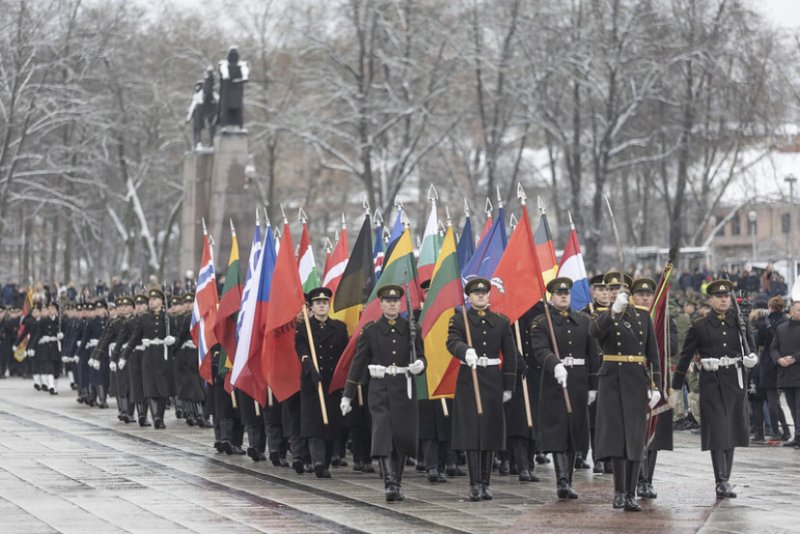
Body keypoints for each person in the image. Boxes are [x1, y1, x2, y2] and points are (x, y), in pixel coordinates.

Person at [672, 279, 757, 498]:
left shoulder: (740, 322)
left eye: (726, 296)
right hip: (712, 383)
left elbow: (751, 347)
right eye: (719, 297)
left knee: (733, 430)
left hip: (735, 382)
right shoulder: (700, 325)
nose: (723, 300)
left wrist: (751, 359)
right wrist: (675, 388)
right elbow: (685, 357)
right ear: (711, 300)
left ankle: (725, 478)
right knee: (718, 431)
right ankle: (720, 480)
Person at [341, 284, 426, 502]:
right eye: (388, 301)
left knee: (401, 436)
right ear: (381, 304)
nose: (392, 304)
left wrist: (419, 365)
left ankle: (397, 481)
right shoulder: (371, 331)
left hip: (404, 388)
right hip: (381, 389)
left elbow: (422, 357)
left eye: (395, 301)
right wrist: (348, 395)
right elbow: (358, 363)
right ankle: (390, 483)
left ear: (400, 303)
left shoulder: (412, 328)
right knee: (383, 433)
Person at [590, 271, 662, 512]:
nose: (612, 293)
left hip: (635, 380)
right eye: (609, 290)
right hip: (611, 380)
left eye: (616, 290)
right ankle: (619, 492)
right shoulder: (603, 315)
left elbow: (653, 354)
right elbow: (595, 333)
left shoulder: (641, 316)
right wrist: (613, 312)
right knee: (617, 439)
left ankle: (631, 494)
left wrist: (656, 387)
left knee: (635, 439)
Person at [446, 277, 517, 502]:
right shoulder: (460, 320)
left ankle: (486, 483)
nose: (480, 296)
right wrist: (464, 350)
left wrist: (508, 386)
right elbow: (451, 341)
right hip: (470, 379)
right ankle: (474, 483)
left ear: (489, 295)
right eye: (476, 294)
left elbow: (511, 355)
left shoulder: (501, 322)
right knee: (472, 433)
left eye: (484, 293)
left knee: (490, 432)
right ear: (469, 297)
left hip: (493, 380)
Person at [530, 277, 599, 500]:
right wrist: (554, 363)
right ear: (552, 296)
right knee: (558, 430)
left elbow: (593, 355)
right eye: (559, 293)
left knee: (575, 431)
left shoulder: (584, 321)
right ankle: (561, 480)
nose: (563, 296)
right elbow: (539, 349)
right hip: (554, 383)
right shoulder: (542, 322)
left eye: (566, 293)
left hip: (578, 382)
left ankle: (568, 479)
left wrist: (593, 386)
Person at [629, 277, 676, 500]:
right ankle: (636, 480)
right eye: (640, 295)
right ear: (633, 297)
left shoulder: (663, 320)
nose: (645, 298)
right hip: (633, 381)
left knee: (653, 435)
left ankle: (647, 481)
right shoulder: (625, 318)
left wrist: (662, 329)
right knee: (635, 433)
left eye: (648, 295)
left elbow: (673, 346)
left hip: (657, 381)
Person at [296, 287, 349, 478]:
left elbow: (344, 356)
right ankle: (317, 460)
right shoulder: (304, 329)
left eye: (324, 303)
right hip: (312, 383)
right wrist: (311, 369)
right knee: (314, 424)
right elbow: (302, 352)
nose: (321, 306)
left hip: (332, 383)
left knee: (330, 424)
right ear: (311, 306)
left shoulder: (340, 328)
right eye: (318, 303)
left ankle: (325, 462)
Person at [771, 300, 800, 448]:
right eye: (798, 310)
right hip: (786, 374)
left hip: (798, 372)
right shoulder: (781, 329)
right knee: (791, 406)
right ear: (791, 312)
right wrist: (779, 359)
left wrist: (794, 358)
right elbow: (773, 348)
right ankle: (797, 436)